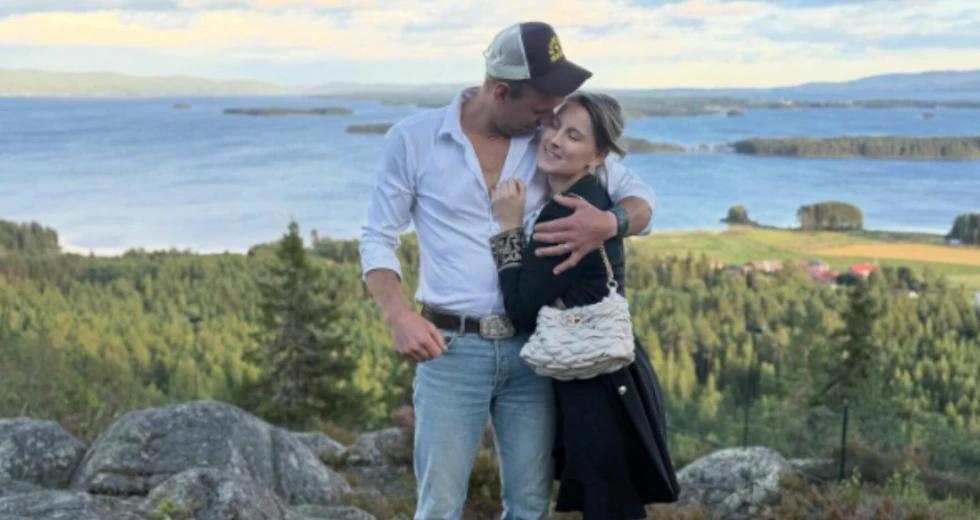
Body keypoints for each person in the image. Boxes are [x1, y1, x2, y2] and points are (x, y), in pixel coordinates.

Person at [359, 21, 658, 519]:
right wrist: (399, 316)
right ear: (501, 92)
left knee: (529, 505)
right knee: (439, 506)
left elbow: (641, 201)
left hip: (534, 352)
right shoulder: (413, 140)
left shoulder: (548, 141)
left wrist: (610, 222)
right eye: (541, 110)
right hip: (450, 351)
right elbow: (377, 238)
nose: (550, 120)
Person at [489, 91, 679, 519]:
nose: (555, 139)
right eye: (555, 126)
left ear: (598, 156)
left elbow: (520, 310)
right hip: (613, 372)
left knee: (609, 508)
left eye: (573, 136)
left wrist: (508, 227)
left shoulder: (567, 214)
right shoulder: (593, 197)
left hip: (595, 386)